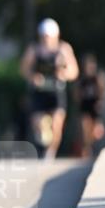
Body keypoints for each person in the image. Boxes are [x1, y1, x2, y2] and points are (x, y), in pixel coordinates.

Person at [19, 18, 79, 159]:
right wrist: (33, 77)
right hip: (39, 92)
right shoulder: (34, 49)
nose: (46, 39)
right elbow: (24, 69)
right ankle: (41, 142)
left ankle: (50, 153)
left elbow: (74, 71)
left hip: (56, 92)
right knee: (39, 124)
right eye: (44, 36)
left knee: (56, 125)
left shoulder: (63, 49)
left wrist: (63, 74)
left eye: (49, 36)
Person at [77, 53, 105, 158]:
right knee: (85, 130)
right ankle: (87, 151)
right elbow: (77, 94)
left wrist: (100, 102)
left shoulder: (97, 77)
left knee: (96, 132)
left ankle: (94, 148)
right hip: (85, 106)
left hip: (94, 107)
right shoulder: (82, 79)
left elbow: (102, 90)